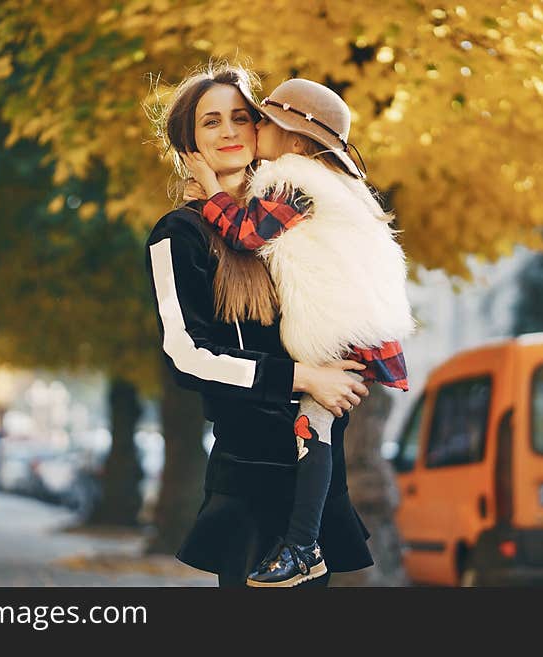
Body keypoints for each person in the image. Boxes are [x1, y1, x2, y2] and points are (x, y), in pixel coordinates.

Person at [145, 63, 374, 588]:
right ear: (188, 140)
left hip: (319, 485)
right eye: (210, 122)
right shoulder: (178, 234)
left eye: (240, 117)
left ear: (263, 129)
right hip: (248, 483)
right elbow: (186, 354)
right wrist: (301, 378)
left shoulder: (295, 213)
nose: (228, 131)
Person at [181, 78, 415, 586]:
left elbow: (247, 234)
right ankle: (302, 544)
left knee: (312, 432)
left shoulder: (295, 182)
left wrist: (213, 189)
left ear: (295, 138)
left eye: (262, 120)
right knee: (317, 431)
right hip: (352, 326)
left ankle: (302, 545)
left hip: (336, 331)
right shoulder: (328, 184)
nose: (253, 127)